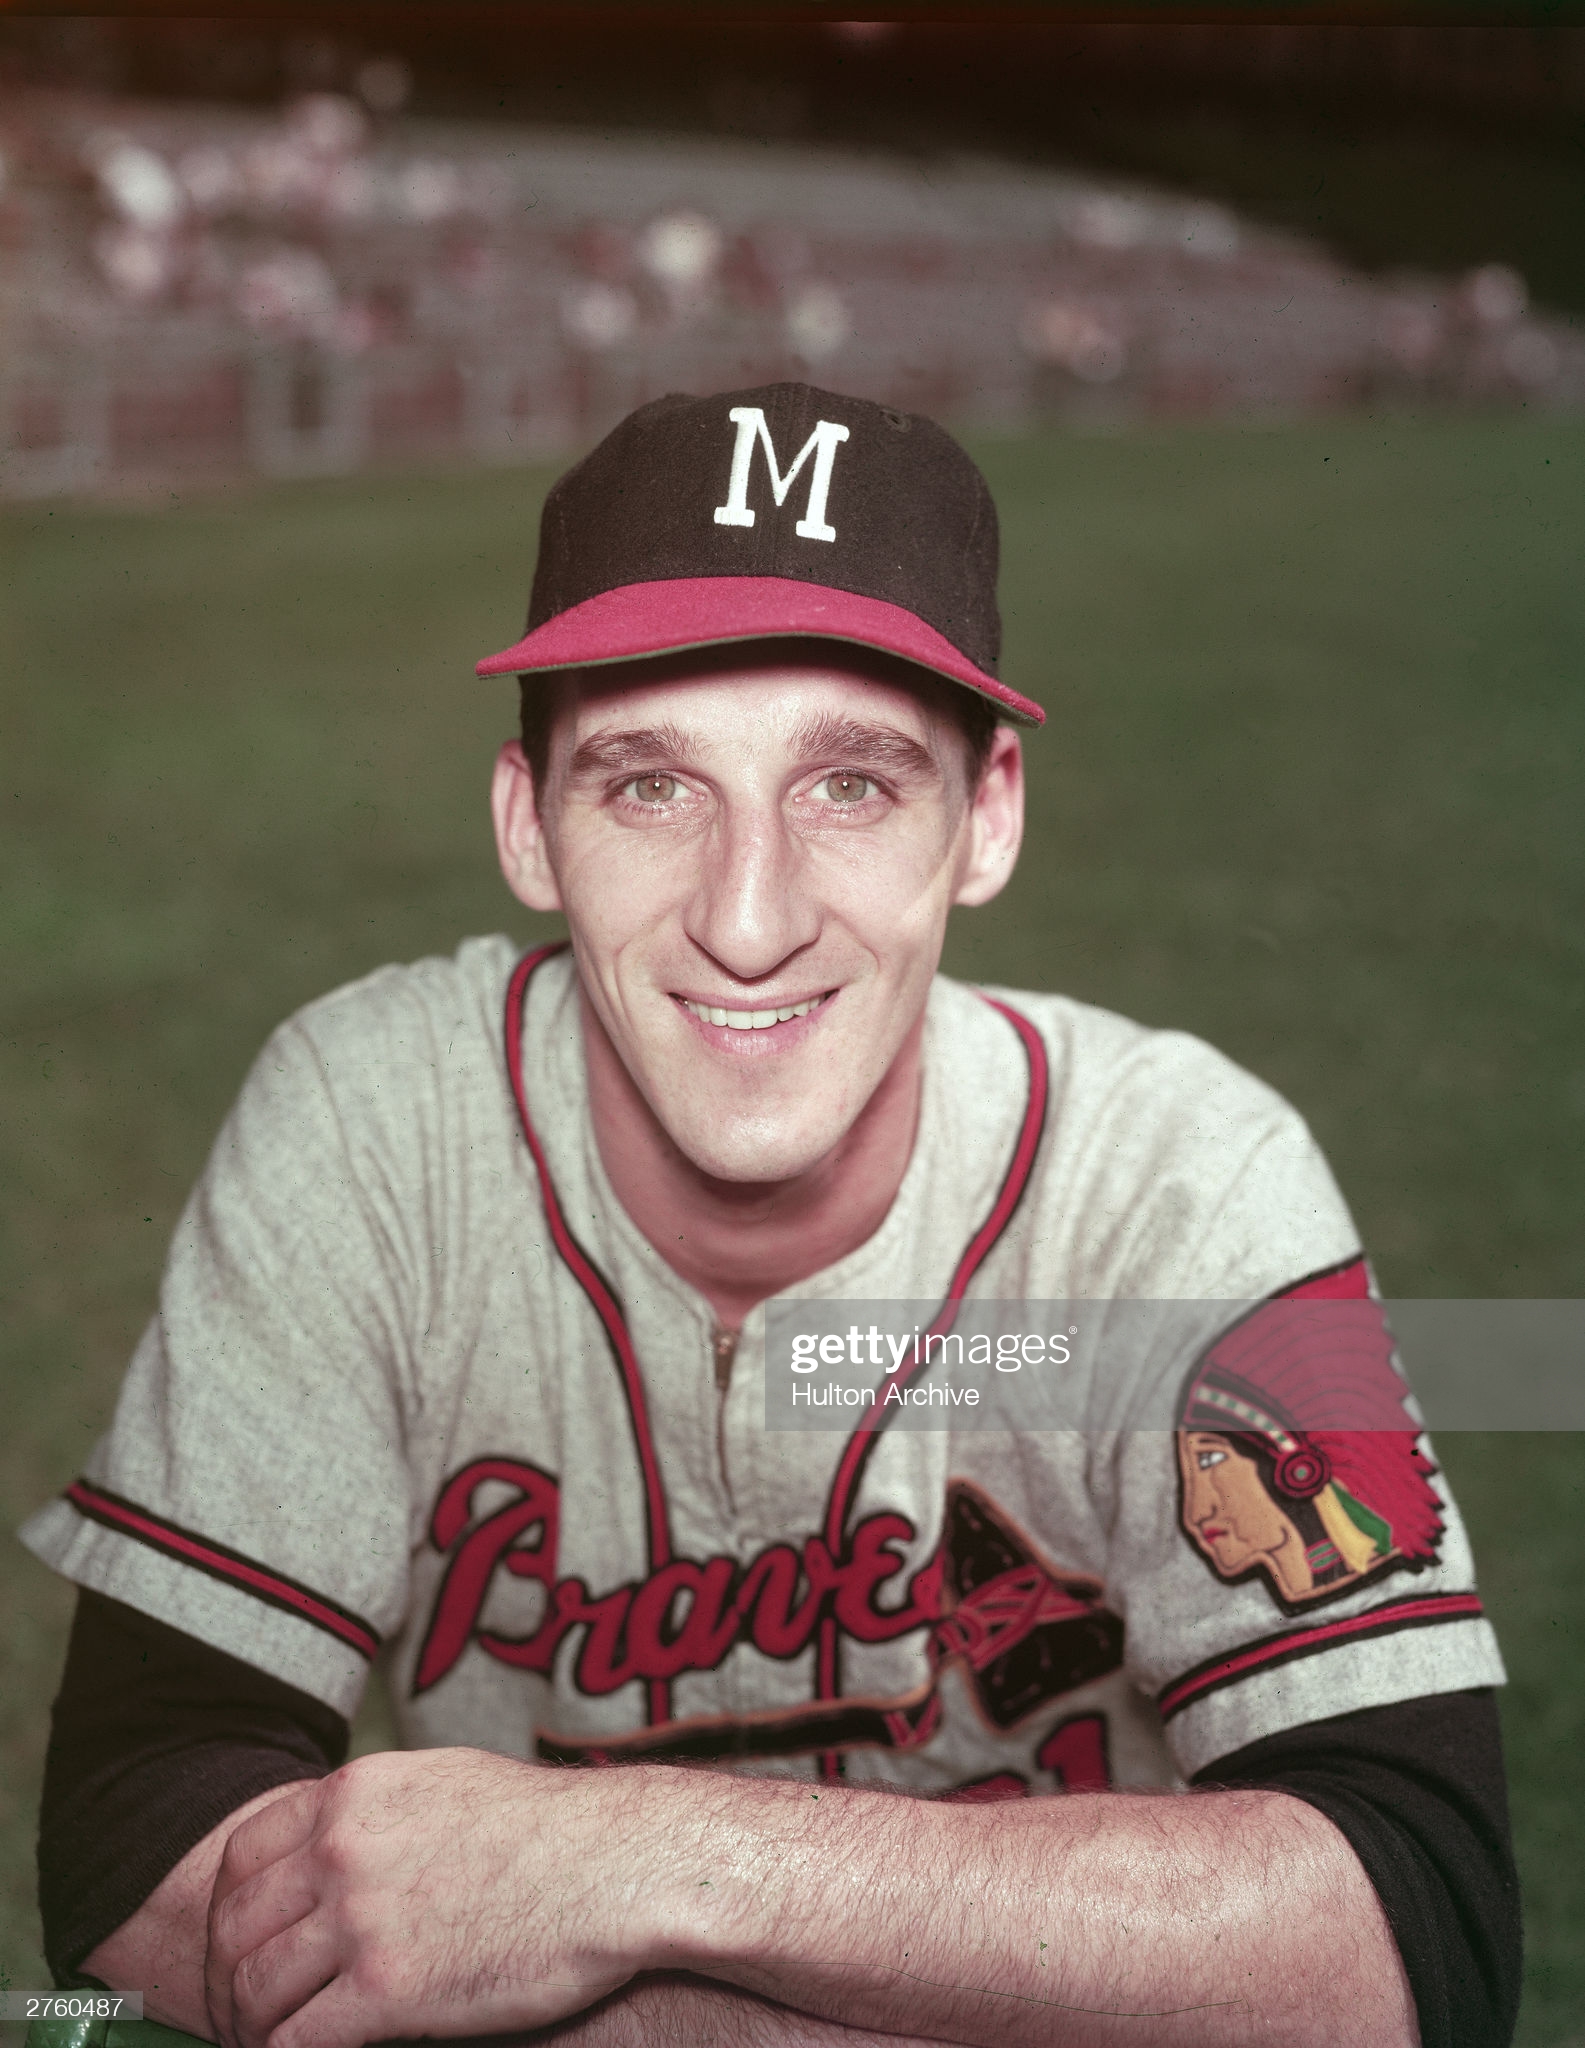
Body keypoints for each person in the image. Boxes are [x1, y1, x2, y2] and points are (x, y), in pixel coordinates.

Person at [24, 383, 1519, 2048]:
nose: (748, 919)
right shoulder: (371, 1119)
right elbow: (135, 1833)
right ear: (528, 823)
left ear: (990, 815)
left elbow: (1414, 1924)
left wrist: (632, 1866)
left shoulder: (1187, 1173)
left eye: (853, 786)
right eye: (649, 786)